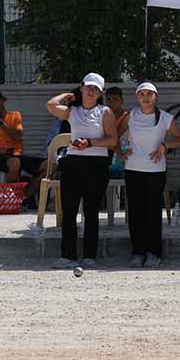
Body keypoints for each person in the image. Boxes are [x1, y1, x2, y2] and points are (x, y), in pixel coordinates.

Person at [45, 73, 119, 269]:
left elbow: (113, 140)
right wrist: (65, 95)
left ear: (100, 92)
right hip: (73, 163)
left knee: (91, 211)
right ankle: (67, 255)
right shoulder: (72, 111)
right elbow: (51, 105)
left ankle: (89, 255)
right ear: (82, 88)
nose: (91, 92)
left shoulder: (105, 112)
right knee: (68, 211)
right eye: (88, 87)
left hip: (96, 164)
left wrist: (90, 143)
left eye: (95, 89)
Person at [117, 81, 180, 268]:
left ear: (155, 97)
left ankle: (154, 253)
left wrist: (165, 146)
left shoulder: (165, 118)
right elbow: (114, 134)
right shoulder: (130, 116)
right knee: (135, 213)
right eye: (142, 94)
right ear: (137, 97)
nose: (146, 98)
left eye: (149, 94)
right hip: (133, 170)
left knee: (153, 213)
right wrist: (120, 152)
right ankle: (137, 252)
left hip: (156, 171)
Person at [0, 88, 45, 205]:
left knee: (49, 166)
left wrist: (0, 123)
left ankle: (25, 194)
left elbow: (18, 136)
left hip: (16, 155)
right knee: (14, 162)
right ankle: (13, 198)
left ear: (1, 102)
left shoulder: (14, 116)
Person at [104, 86, 130, 182]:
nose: (112, 103)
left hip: (121, 160)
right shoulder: (102, 117)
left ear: (121, 100)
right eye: (109, 100)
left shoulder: (127, 117)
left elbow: (115, 139)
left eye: (115, 99)